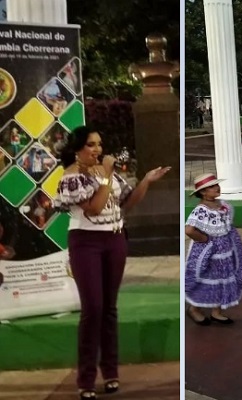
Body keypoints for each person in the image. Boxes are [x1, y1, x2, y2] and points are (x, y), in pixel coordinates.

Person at [53, 126, 169, 399]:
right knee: (92, 309)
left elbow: (126, 203)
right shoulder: (71, 177)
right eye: (91, 145)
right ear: (78, 148)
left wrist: (147, 181)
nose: (98, 150)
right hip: (86, 243)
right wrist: (105, 176)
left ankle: (111, 372)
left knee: (109, 309)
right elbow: (93, 207)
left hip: (115, 240)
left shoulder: (108, 174)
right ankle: (86, 379)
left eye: (99, 144)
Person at [185, 173, 242, 326]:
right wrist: (205, 239)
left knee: (222, 280)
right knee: (206, 280)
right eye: (211, 186)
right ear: (203, 192)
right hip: (212, 253)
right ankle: (194, 308)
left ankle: (216, 312)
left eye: (216, 185)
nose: (216, 188)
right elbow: (189, 230)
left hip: (225, 250)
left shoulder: (222, 204)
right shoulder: (201, 210)